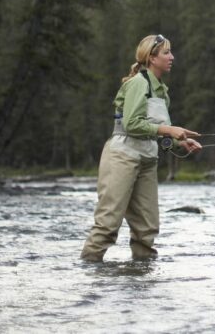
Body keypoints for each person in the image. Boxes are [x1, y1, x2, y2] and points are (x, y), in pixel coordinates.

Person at [81, 33, 202, 261]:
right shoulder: (138, 83)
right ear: (151, 58)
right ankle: (90, 280)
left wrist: (180, 141)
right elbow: (132, 124)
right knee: (108, 224)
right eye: (166, 53)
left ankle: (142, 283)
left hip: (147, 158)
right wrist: (169, 130)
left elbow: (157, 128)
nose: (172, 57)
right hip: (122, 156)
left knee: (147, 228)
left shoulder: (161, 91)